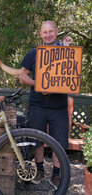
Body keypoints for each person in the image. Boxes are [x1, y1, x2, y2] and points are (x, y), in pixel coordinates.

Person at [19, 21, 73, 189]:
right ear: (40, 34)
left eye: (51, 31)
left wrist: (67, 48)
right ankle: (39, 170)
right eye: (45, 32)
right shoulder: (34, 53)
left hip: (59, 107)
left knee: (59, 142)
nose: (48, 34)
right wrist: (39, 85)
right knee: (36, 140)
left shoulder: (65, 52)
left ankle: (56, 176)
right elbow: (22, 76)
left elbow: (72, 72)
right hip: (37, 105)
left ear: (57, 31)